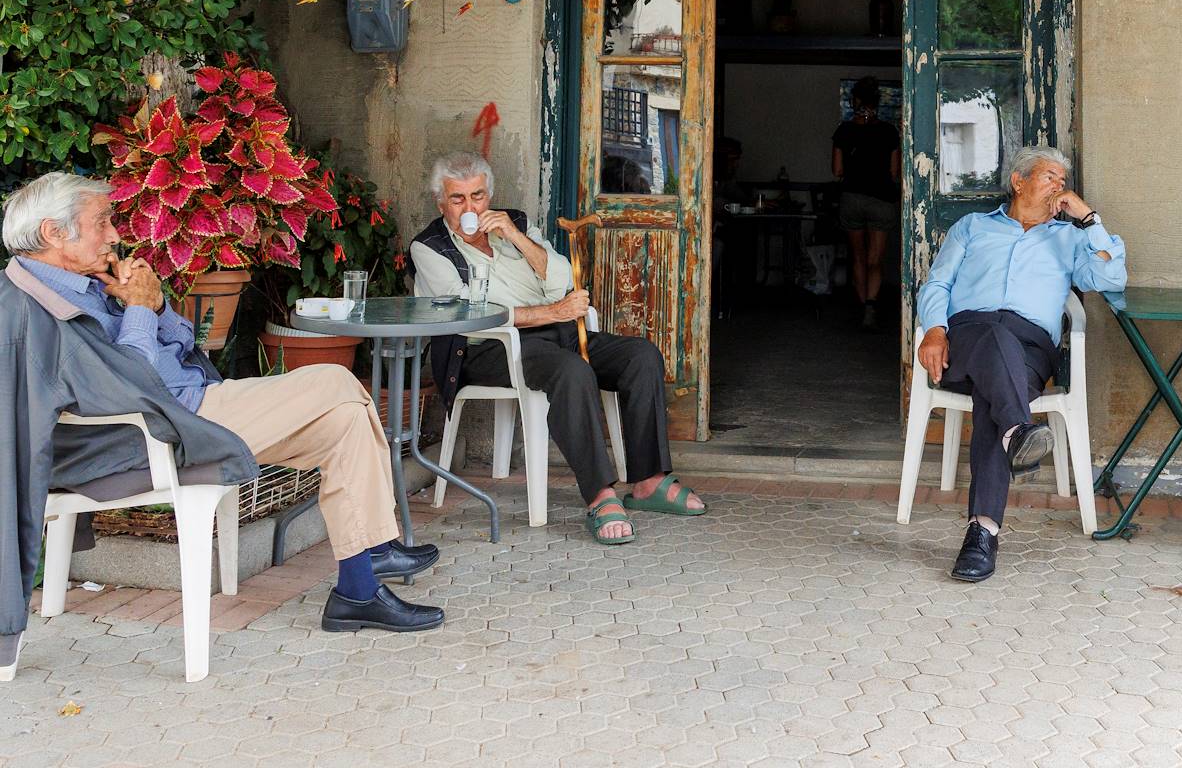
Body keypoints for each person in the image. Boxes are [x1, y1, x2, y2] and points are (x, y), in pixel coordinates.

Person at [0, 173, 444, 650]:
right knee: (336, 383)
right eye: (101, 223)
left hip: (196, 405)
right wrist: (140, 312)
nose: (114, 235)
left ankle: (357, 589)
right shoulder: (36, 307)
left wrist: (150, 303)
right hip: (169, 425)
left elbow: (185, 345)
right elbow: (130, 388)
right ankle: (372, 548)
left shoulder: (85, 285)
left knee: (345, 420)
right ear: (53, 233)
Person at [409, 152, 705, 545]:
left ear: (489, 195)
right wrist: (551, 311)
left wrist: (515, 237)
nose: (470, 207)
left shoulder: (514, 224)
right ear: (441, 202)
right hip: (488, 349)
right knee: (572, 371)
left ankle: (649, 481)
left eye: (478, 196)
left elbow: (561, 278)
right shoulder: (428, 247)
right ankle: (600, 495)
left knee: (640, 356)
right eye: (458, 199)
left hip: (558, 334)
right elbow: (468, 313)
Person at [916, 146, 1126, 582]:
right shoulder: (972, 228)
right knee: (994, 335)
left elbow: (1111, 279)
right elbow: (937, 282)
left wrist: (1088, 219)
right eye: (1050, 176)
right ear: (1018, 181)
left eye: (1063, 181)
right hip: (968, 338)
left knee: (999, 384)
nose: (1059, 186)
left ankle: (986, 519)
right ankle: (1000, 484)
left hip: (1029, 349)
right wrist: (935, 329)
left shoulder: (1069, 239)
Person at [832, 77, 902, 330]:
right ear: (878, 103)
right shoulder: (889, 132)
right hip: (882, 200)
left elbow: (837, 170)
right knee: (875, 260)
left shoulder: (844, 131)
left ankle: (862, 307)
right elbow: (895, 172)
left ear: (854, 102)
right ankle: (871, 306)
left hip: (852, 198)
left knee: (858, 257)